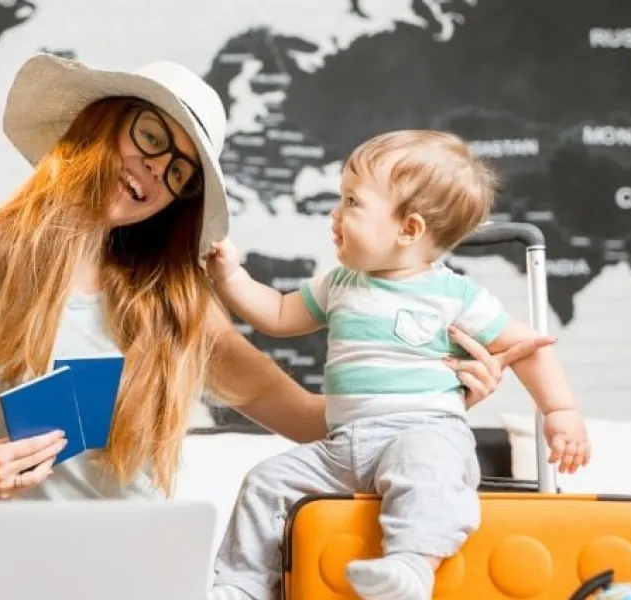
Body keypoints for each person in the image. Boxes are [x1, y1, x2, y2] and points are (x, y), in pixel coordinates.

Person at [0, 54, 551, 505]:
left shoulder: (170, 298)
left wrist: (432, 395)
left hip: (138, 570)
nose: (154, 171)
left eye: (179, 169)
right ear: (96, 125)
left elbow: (302, 415)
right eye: (149, 136)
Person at [203, 130, 592, 600]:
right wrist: (231, 276)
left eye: (352, 201)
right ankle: (240, 586)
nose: (335, 212)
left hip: (422, 431)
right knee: (266, 481)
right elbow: (280, 314)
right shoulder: (339, 283)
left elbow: (529, 345)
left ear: (408, 230)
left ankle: (411, 566)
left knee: (427, 472)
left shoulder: (454, 294)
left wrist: (561, 411)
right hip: (343, 445)